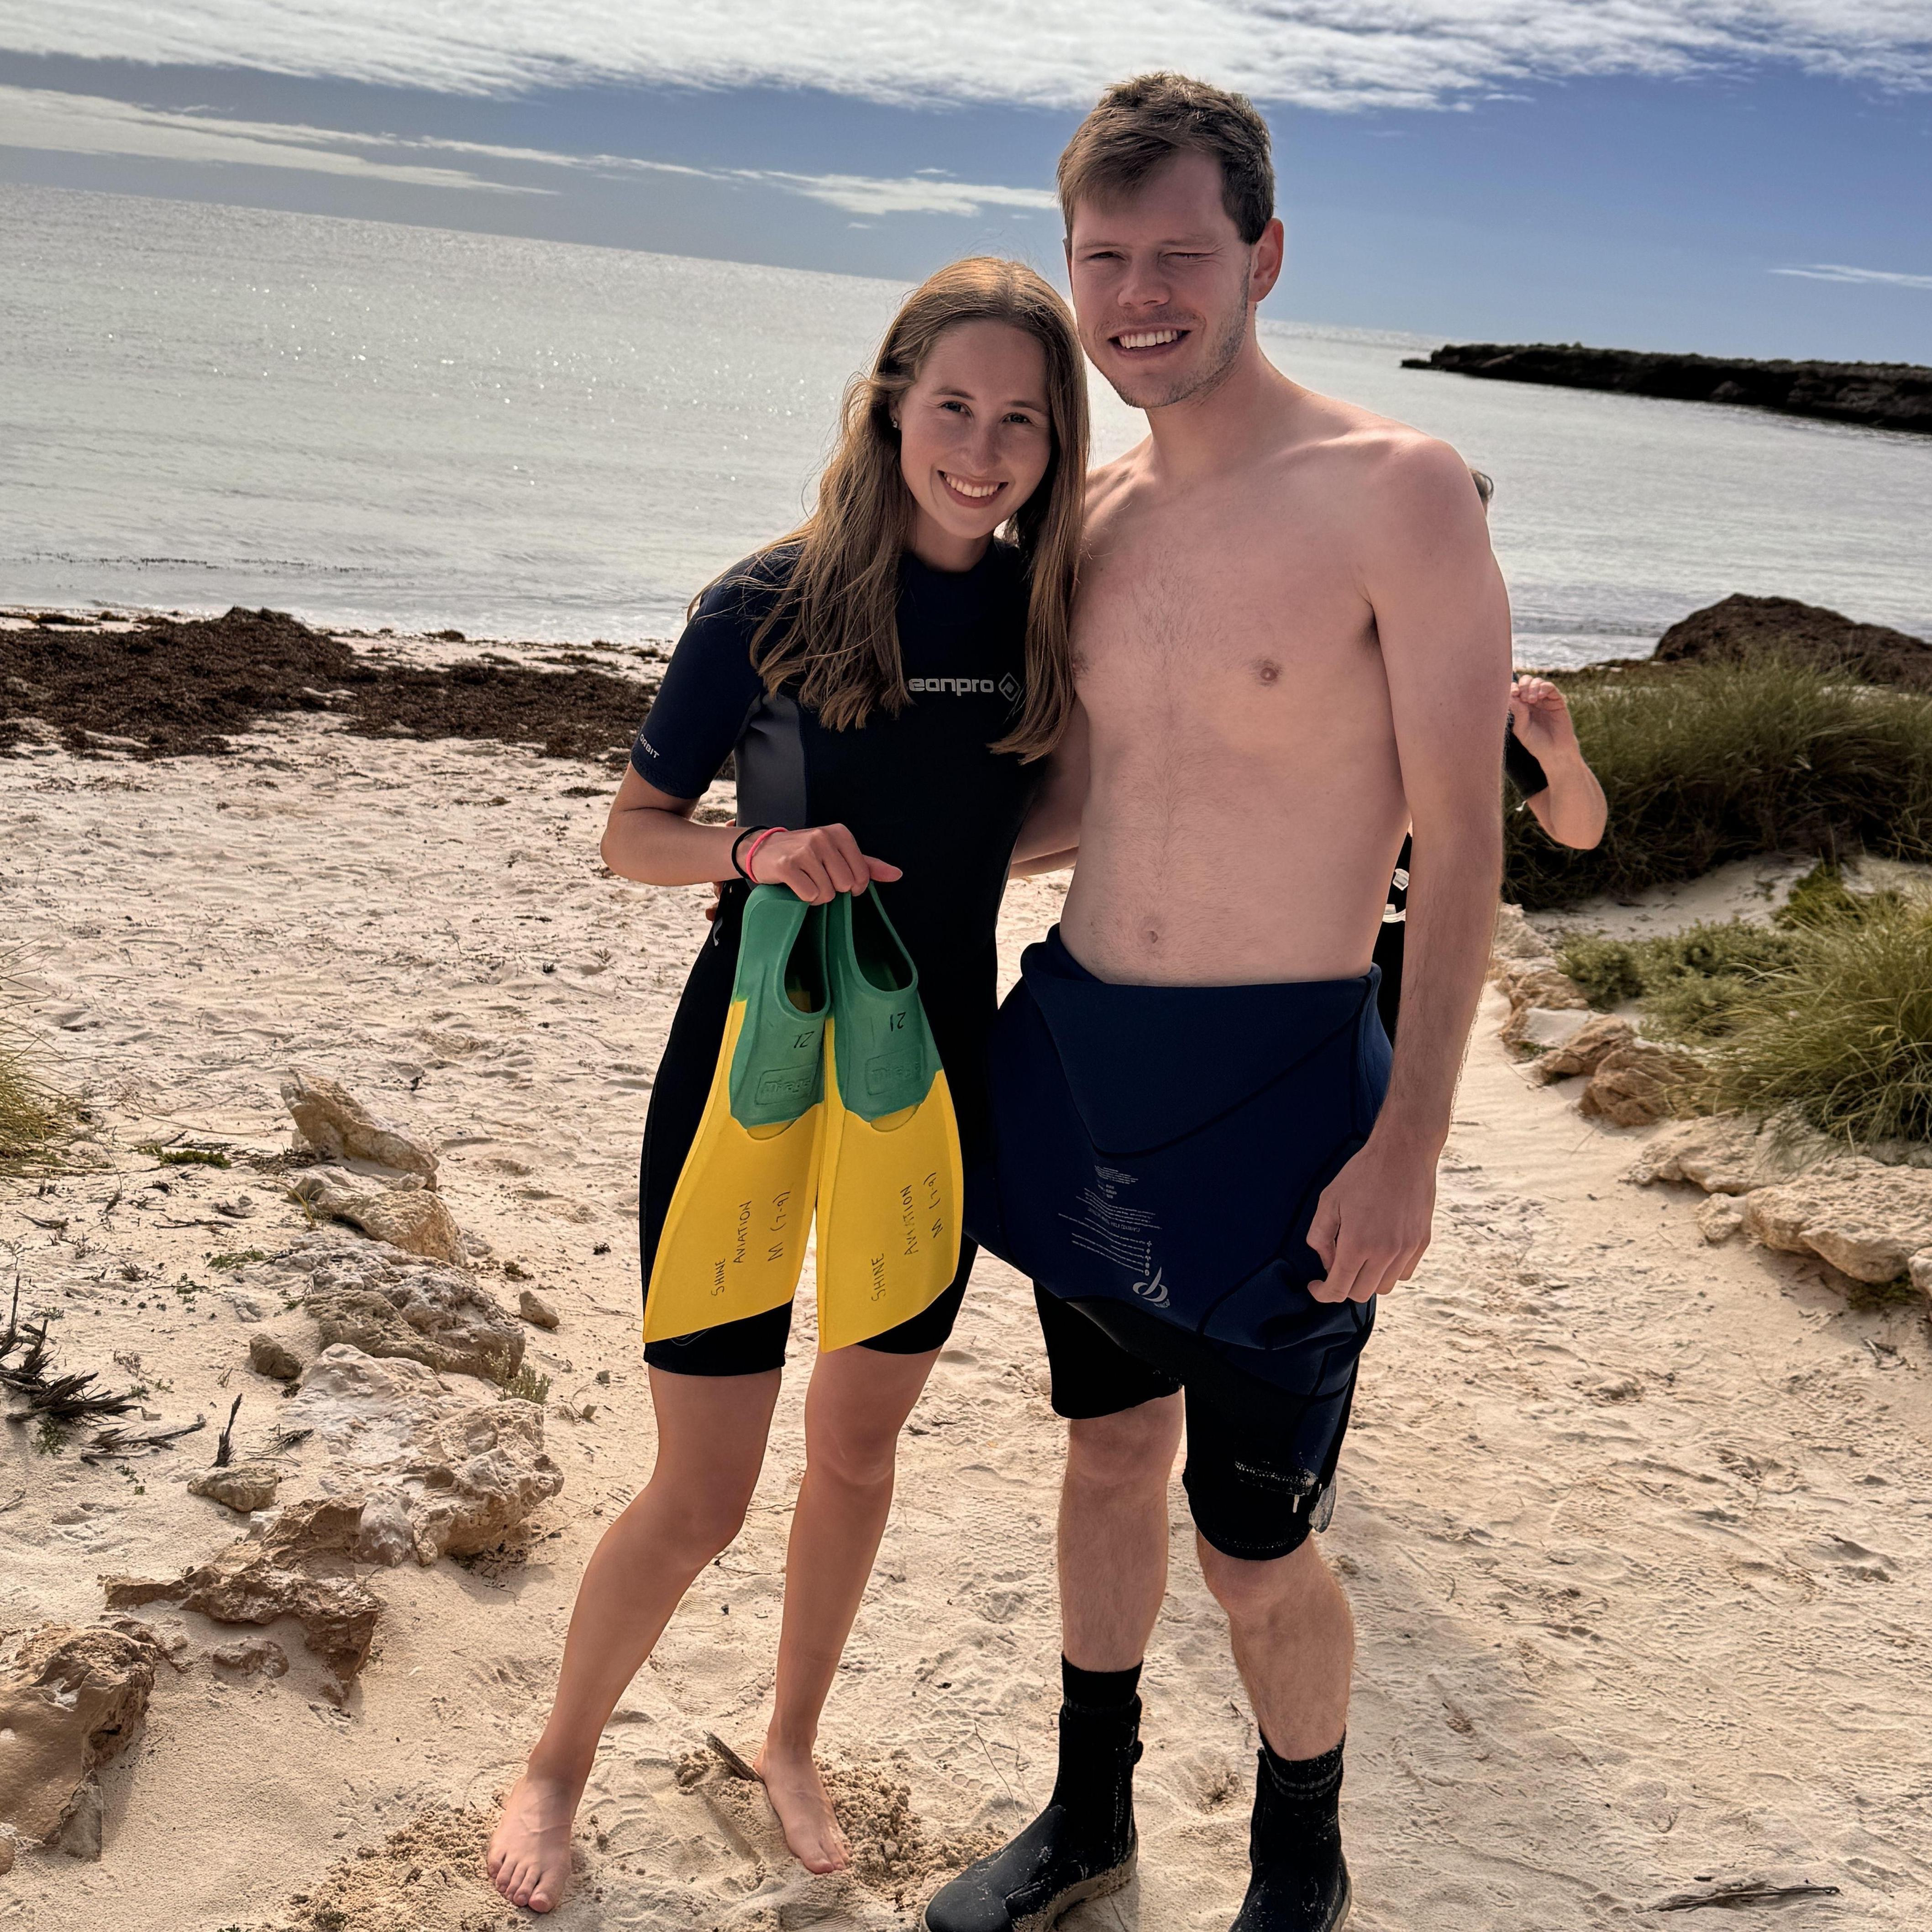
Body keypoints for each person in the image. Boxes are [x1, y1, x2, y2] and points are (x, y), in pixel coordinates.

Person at [928, 75, 1511, 1932]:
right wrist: (864, 850)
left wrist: (1409, 1137)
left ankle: (1297, 1862)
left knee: (1252, 1541)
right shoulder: (1082, 512)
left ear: (1261, 255)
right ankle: (1086, 1818)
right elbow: (1102, 790)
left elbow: (1468, 840)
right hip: (1083, 1062)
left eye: (1180, 253)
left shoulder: (1393, 494)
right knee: (1103, 1458)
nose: (1137, 293)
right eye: (1102, 257)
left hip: (1284, 1094)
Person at [485, 257, 1089, 1916]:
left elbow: (1030, 828)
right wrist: (759, 850)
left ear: (1056, 440)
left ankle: (792, 1733)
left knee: (861, 1446)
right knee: (702, 1485)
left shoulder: (1049, 614)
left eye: (1021, 421)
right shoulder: (767, 598)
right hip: (750, 1068)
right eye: (953, 406)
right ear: (893, 401)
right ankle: (556, 1759)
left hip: (935, 1076)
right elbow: (627, 839)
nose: (982, 448)